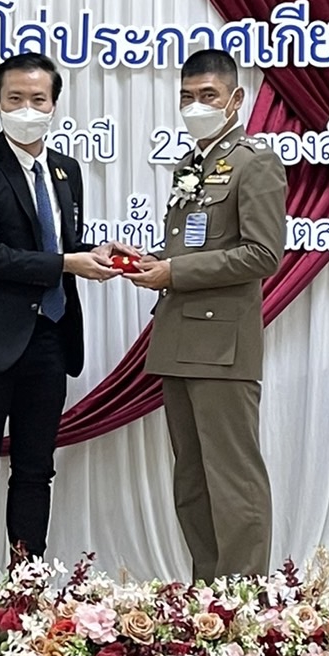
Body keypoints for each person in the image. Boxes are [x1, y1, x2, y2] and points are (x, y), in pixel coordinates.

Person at [0, 53, 132, 593]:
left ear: (54, 105)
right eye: (15, 99)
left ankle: (25, 590)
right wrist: (68, 262)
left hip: (50, 336)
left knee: (35, 469)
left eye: (38, 100)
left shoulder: (66, 170)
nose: (27, 109)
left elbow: (62, 244)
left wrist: (96, 252)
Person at [126, 48, 286, 581]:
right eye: (187, 97)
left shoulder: (254, 162)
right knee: (192, 481)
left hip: (223, 345)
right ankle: (207, 595)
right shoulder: (190, 165)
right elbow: (195, 249)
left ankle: (242, 597)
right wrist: (152, 262)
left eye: (208, 96)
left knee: (232, 478)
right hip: (178, 339)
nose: (196, 106)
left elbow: (263, 255)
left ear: (235, 100)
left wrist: (174, 272)